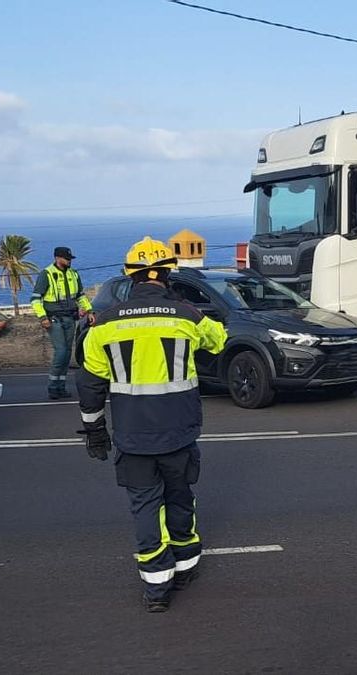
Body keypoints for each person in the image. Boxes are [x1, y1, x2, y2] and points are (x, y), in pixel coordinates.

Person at [77, 236, 228, 612]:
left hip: (132, 436)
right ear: (167, 276)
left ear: (131, 277)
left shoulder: (105, 325)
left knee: (146, 506)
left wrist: (94, 430)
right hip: (180, 430)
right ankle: (187, 565)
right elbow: (218, 340)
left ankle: (156, 589)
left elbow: (90, 384)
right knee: (180, 497)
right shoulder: (187, 316)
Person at [30, 246, 94, 399]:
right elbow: (35, 299)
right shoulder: (47, 274)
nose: (69, 261)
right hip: (54, 319)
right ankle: (53, 387)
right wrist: (42, 318)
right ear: (57, 258)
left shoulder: (73, 274)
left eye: (70, 259)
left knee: (66, 355)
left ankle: (61, 387)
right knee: (61, 352)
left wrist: (89, 311)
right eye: (67, 258)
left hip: (70, 318)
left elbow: (80, 296)